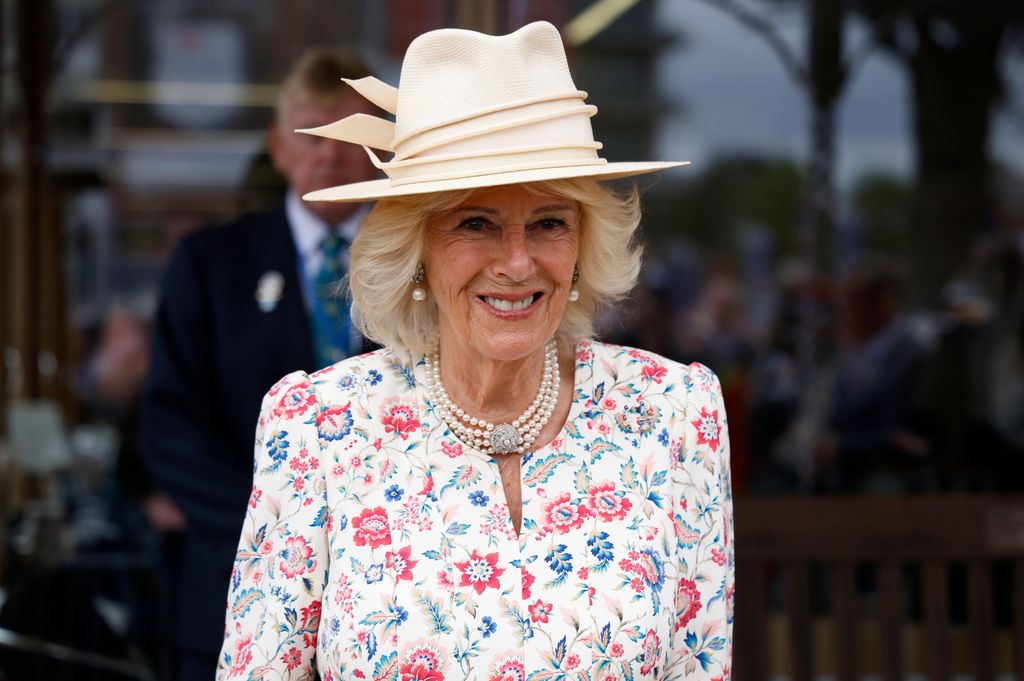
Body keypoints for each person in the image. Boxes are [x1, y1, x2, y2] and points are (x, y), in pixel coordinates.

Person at [217, 22, 733, 680]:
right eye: (475, 223)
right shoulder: (319, 425)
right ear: (419, 251)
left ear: (581, 246)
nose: (517, 263)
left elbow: (699, 666)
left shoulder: (674, 413)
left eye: (548, 222)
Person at [140, 49, 381, 679]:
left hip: (389, 597)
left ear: (383, 148)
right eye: (311, 134)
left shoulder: (430, 266)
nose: (328, 153)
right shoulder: (209, 264)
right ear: (277, 146)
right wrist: (283, 524)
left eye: (347, 134)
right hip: (234, 586)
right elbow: (170, 429)